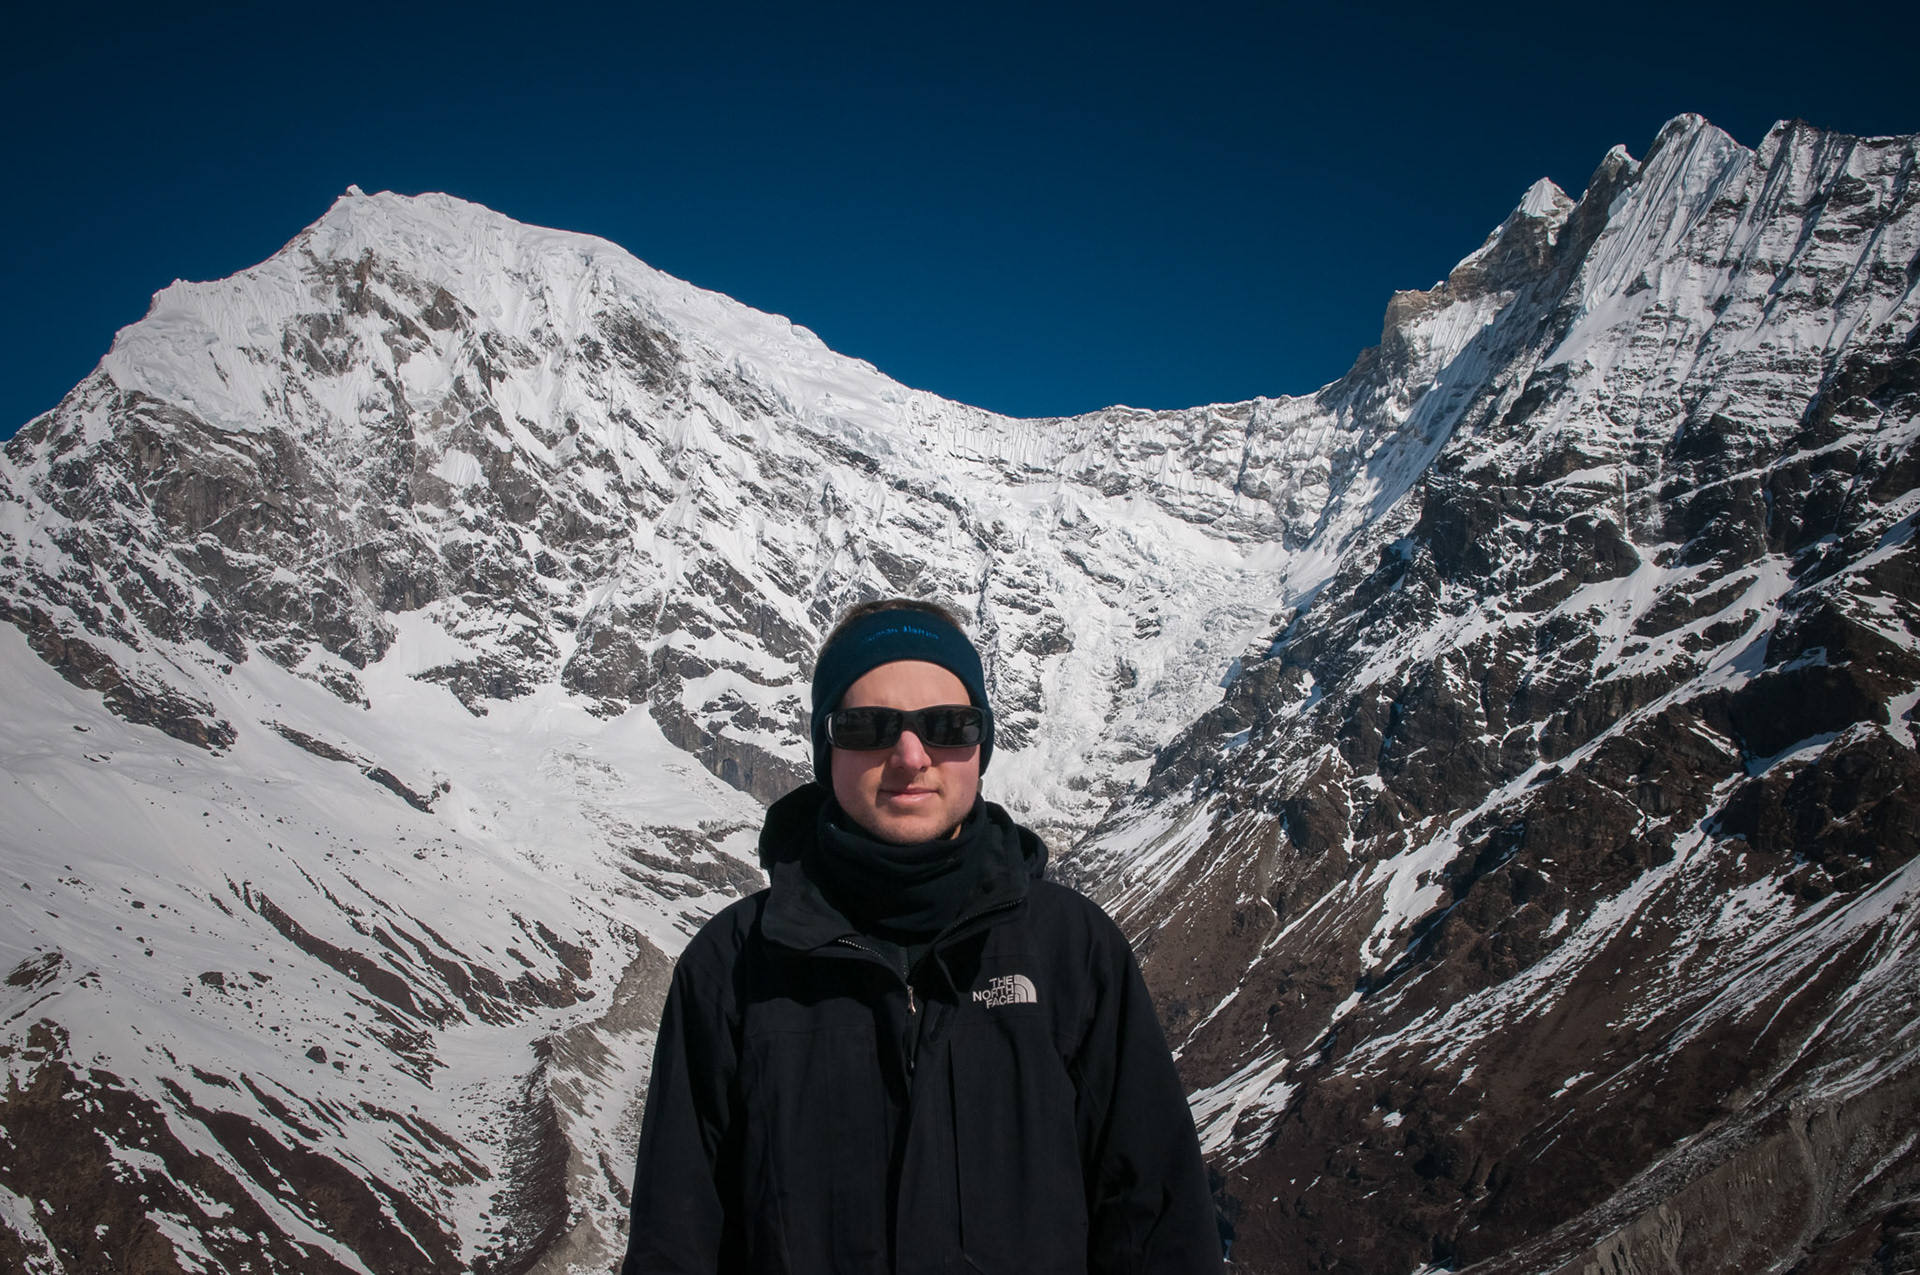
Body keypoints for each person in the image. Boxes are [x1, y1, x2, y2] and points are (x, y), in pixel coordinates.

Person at [621, 599, 1223, 1274]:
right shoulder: (732, 969)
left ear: (981, 745)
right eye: (868, 727)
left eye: (948, 725)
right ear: (827, 750)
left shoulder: (1073, 953)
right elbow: (677, 1241)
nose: (911, 756)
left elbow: (1159, 1228)